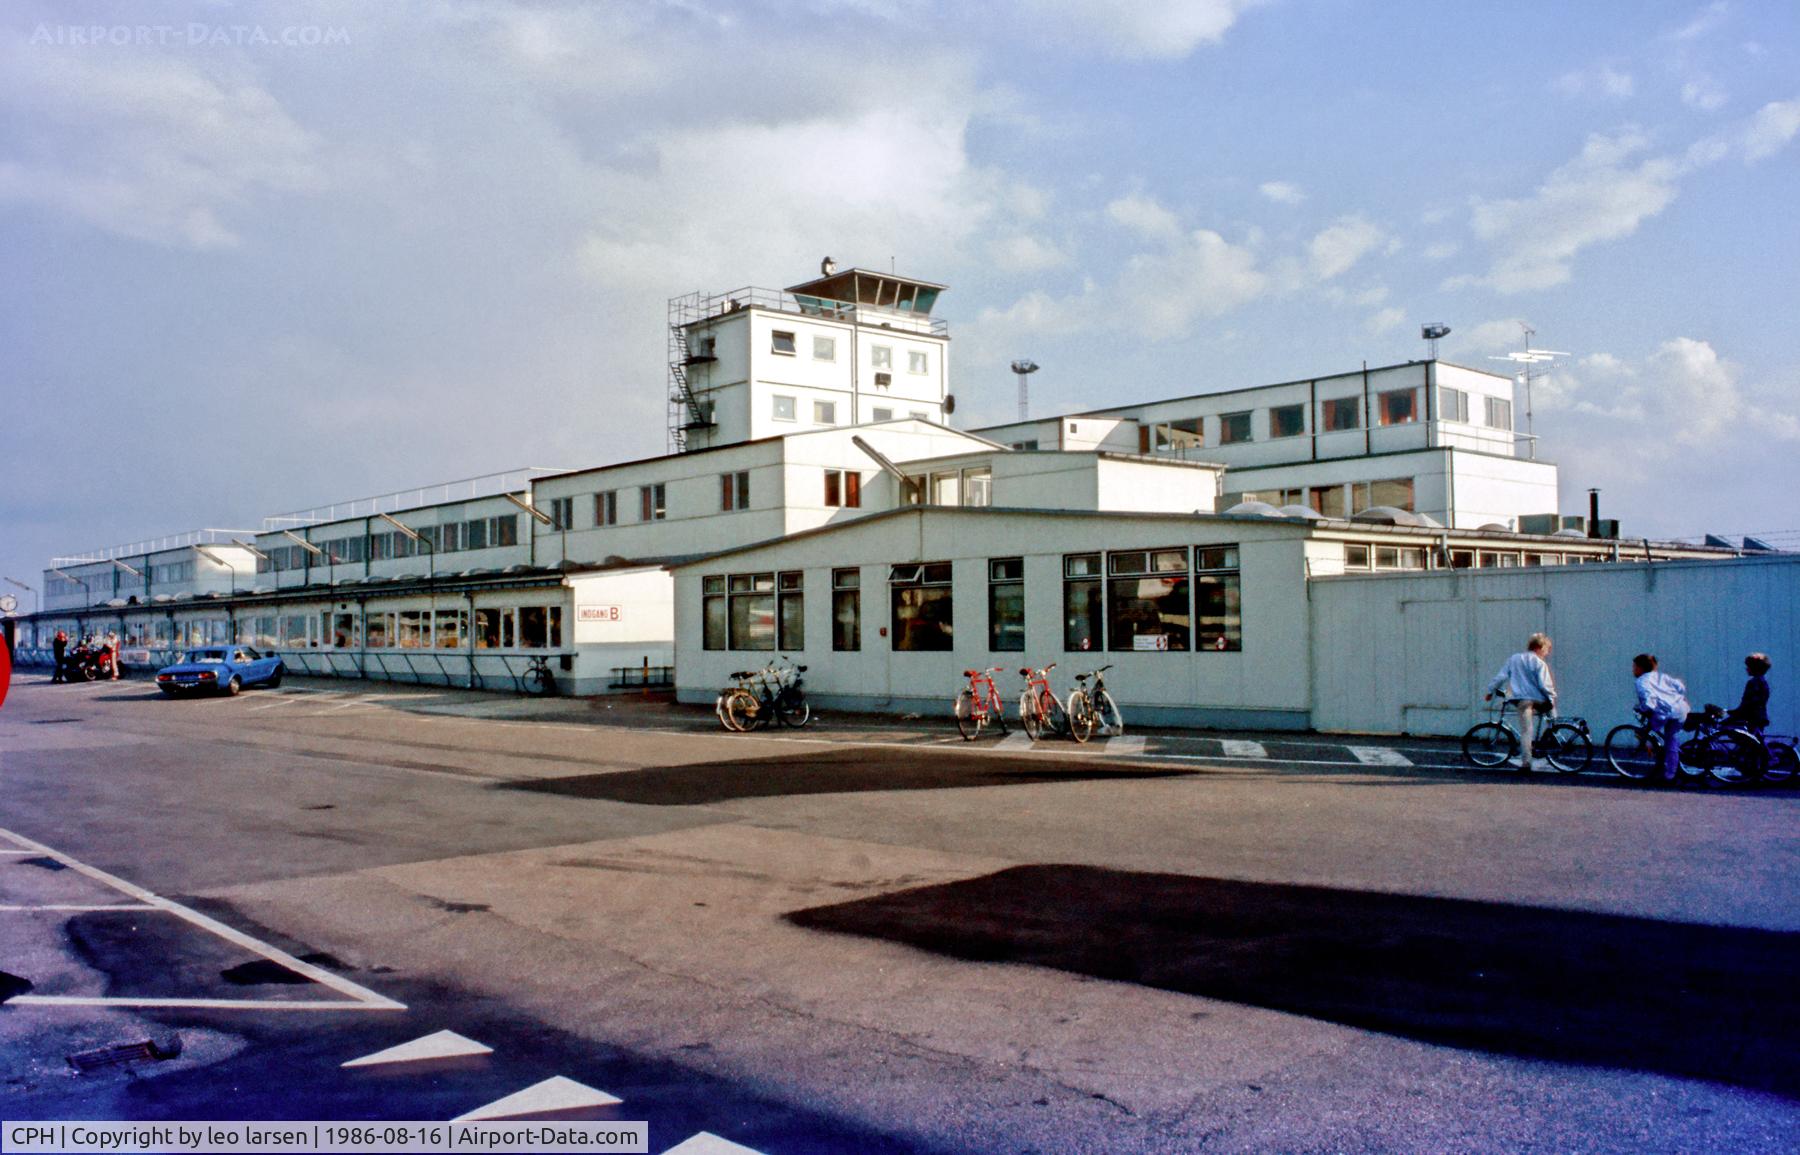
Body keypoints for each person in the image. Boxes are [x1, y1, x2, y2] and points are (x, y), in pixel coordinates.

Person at [1485, 633, 1557, 771]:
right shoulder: (1539, 662)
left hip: (1521, 700)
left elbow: (1501, 676)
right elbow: (1544, 685)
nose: (1547, 653)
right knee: (1549, 712)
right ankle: (1552, 732)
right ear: (1539, 647)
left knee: (1526, 731)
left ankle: (1526, 762)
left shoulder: (1514, 659)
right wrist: (1552, 696)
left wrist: (1490, 691)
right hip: (1537, 700)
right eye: (1546, 649)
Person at [1632, 653, 1690, 783]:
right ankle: (1671, 764)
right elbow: (1680, 687)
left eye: (1634, 667)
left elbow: (1647, 701)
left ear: (1640, 668)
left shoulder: (1641, 681)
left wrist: (1643, 709)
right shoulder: (1661, 676)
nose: (1633, 670)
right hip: (1680, 708)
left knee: (1667, 739)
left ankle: (1670, 774)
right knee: (1671, 737)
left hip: (1667, 712)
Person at [1725, 652, 1771, 735]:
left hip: (1752, 718)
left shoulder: (1754, 683)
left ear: (1754, 668)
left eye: (1749, 666)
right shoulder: (1762, 682)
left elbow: (1748, 703)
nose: (1747, 669)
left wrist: (1735, 713)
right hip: (1760, 717)